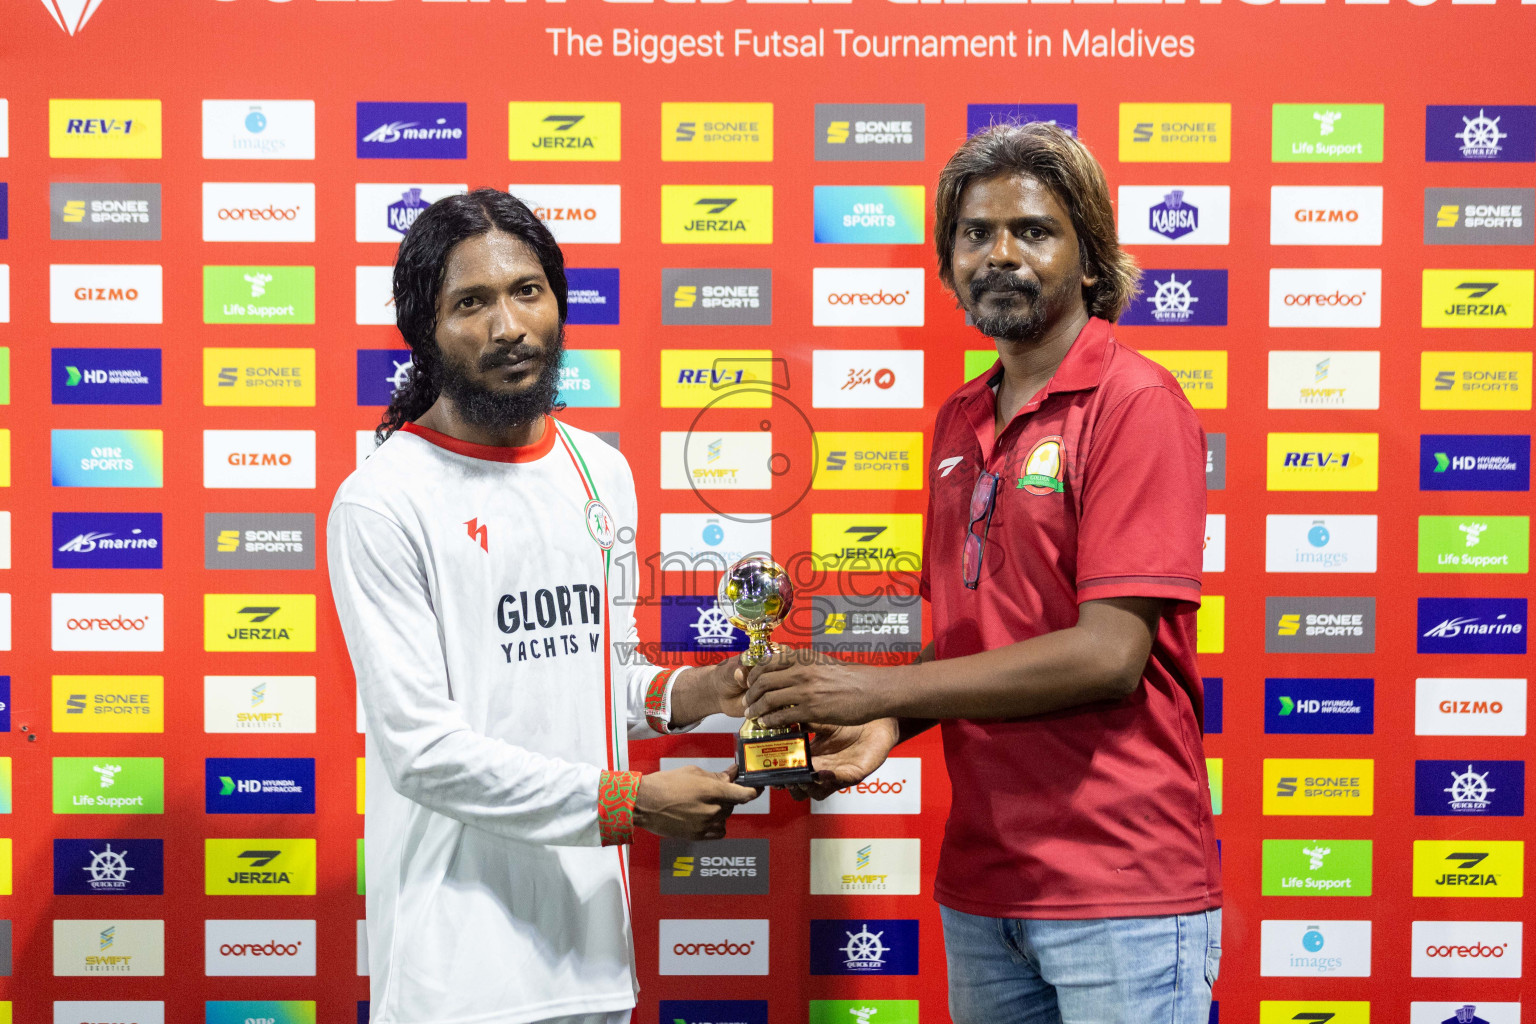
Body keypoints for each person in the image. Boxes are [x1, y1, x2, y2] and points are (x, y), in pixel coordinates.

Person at [740, 123, 1222, 1023]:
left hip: (1120, 885)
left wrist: (869, 686)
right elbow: (976, 635)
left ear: (1090, 259)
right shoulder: (958, 420)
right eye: (974, 234)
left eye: (1033, 231)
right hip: (986, 885)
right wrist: (885, 723)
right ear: (948, 261)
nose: (999, 253)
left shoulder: (1136, 403)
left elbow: (1108, 653)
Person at [328, 189, 759, 1024]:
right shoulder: (381, 501)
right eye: (472, 302)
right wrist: (627, 803)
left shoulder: (600, 469)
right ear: (425, 329)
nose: (509, 326)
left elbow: (597, 677)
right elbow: (423, 752)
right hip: (458, 971)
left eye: (528, 290)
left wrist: (699, 692)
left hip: (592, 956)